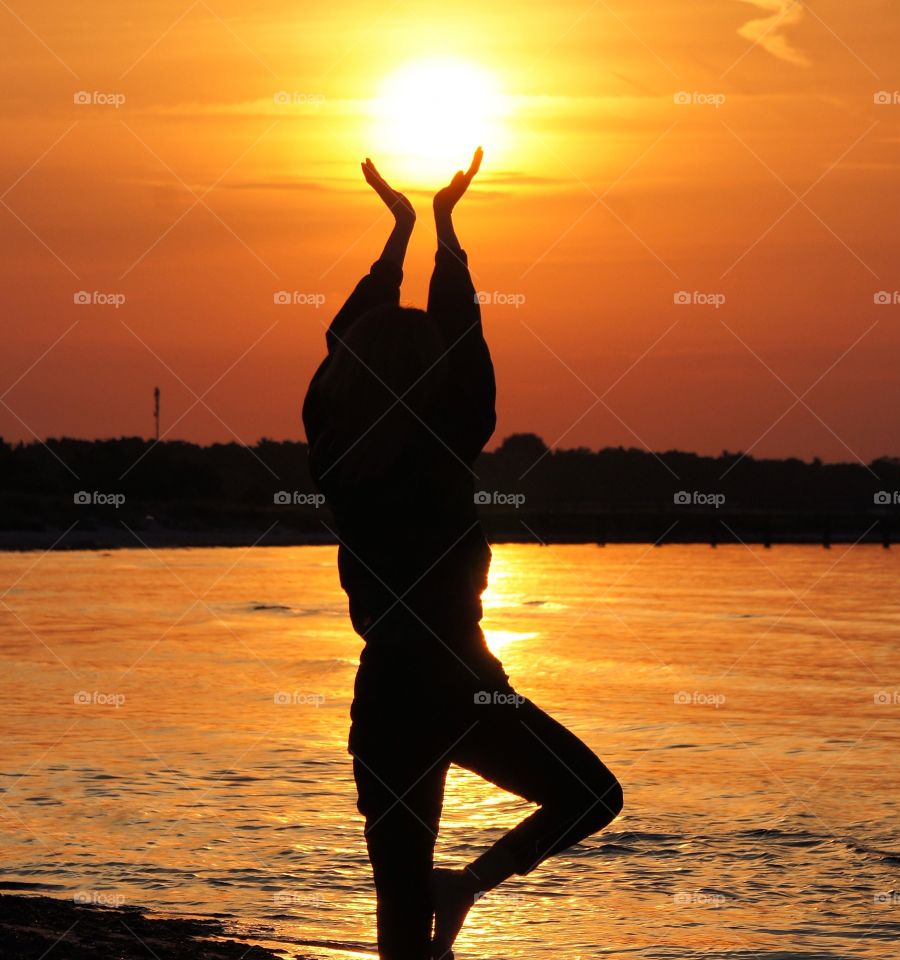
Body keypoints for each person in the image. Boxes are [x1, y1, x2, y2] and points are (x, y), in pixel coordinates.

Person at [302, 148, 623, 960]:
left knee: (399, 927)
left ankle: (446, 895)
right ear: (434, 380)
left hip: (388, 697)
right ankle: (469, 884)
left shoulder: (338, 460)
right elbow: (466, 350)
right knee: (589, 794)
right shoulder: (445, 447)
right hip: (461, 685)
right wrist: (442, 232)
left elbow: (342, 346)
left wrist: (401, 238)